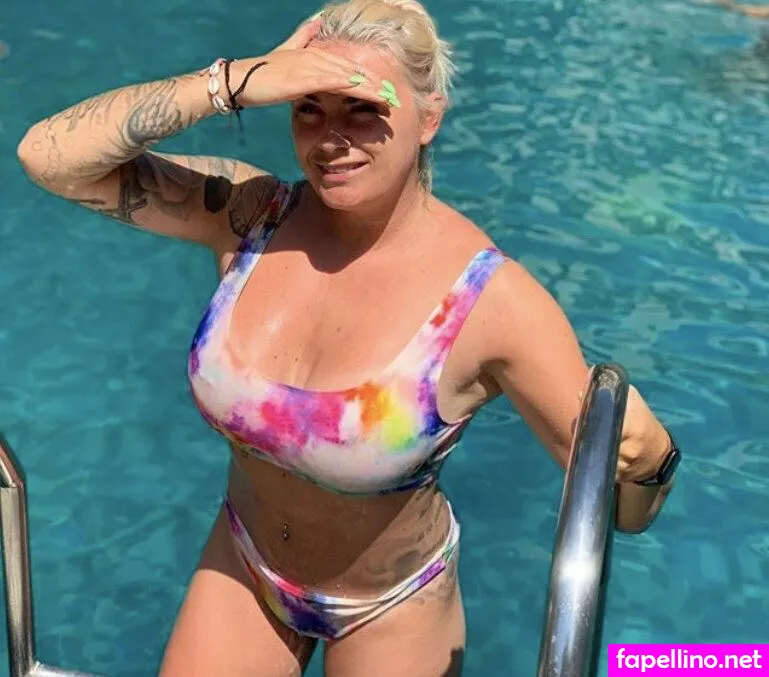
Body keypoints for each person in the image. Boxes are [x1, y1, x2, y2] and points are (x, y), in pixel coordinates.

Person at [17, 1, 680, 675]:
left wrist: (650, 459)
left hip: (391, 606)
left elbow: (624, 511)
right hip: (244, 563)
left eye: (363, 108)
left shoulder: (488, 300)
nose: (331, 138)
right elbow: (48, 158)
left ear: (430, 117)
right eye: (308, 107)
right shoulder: (252, 216)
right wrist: (231, 82)